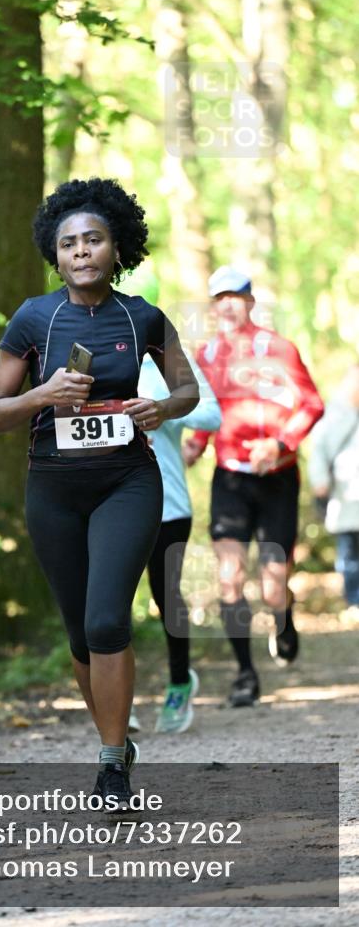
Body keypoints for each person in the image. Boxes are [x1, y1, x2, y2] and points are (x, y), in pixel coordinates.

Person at [0, 178, 199, 807]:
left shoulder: (143, 316)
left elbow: (188, 391)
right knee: (80, 634)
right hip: (53, 488)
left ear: (117, 248)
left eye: (94, 239)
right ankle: (117, 741)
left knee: (107, 620)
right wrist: (43, 394)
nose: (81, 251)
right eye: (69, 243)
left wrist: (161, 407)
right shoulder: (34, 317)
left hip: (127, 482)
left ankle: (111, 767)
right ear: (55, 256)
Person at [183, 266, 324, 707]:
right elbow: (207, 411)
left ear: (250, 302)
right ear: (213, 307)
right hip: (230, 479)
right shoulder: (206, 356)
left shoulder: (280, 349)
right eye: (219, 298)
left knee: (272, 588)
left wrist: (280, 443)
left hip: (277, 477)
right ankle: (245, 674)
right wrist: (195, 445)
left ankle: (283, 616)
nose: (227, 305)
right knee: (229, 579)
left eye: (235, 296)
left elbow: (312, 404)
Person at [138, 345, 221, 733]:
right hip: (104, 503)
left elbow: (212, 414)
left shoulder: (166, 360)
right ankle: (117, 697)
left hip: (167, 504)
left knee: (165, 594)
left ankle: (178, 682)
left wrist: (163, 409)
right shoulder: (91, 356)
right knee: (110, 598)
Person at [308, 364, 359, 608]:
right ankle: (354, 601)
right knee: (349, 552)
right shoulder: (334, 414)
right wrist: (320, 482)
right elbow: (319, 451)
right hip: (344, 495)